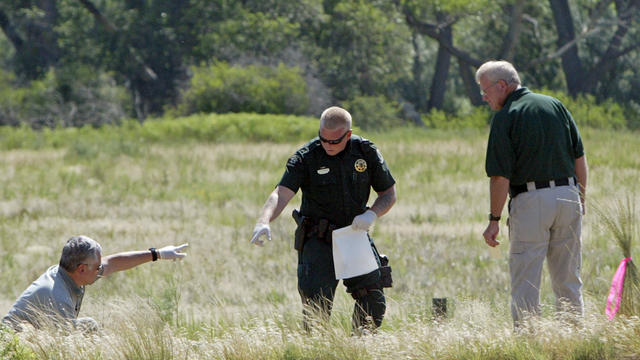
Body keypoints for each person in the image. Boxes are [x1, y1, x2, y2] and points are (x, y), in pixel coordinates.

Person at [250, 106, 396, 332]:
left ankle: (360, 348)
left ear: (347, 135)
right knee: (316, 310)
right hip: (318, 239)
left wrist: (371, 214)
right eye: (323, 139)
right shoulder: (306, 156)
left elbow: (388, 194)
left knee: (373, 302)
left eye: (334, 141)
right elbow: (281, 193)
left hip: (353, 235)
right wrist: (264, 221)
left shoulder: (365, 152)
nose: (327, 145)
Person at [477, 60, 588, 327]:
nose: (484, 97)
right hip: (569, 194)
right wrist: (581, 199)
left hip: (531, 200)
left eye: (485, 90)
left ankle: (529, 341)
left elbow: (500, 176)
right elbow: (579, 158)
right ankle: (572, 337)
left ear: (502, 85)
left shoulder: (506, 116)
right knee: (567, 275)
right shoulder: (555, 105)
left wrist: (494, 219)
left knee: (526, 275)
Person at [2, 235, 189, 332]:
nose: (102, 270)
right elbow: (64, 347)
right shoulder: (57, 297)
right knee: (88, 327)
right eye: (97, 267)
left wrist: (158, 254)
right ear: (82, 269)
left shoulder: (69, 273)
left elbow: (113, 263)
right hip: (10, 348)